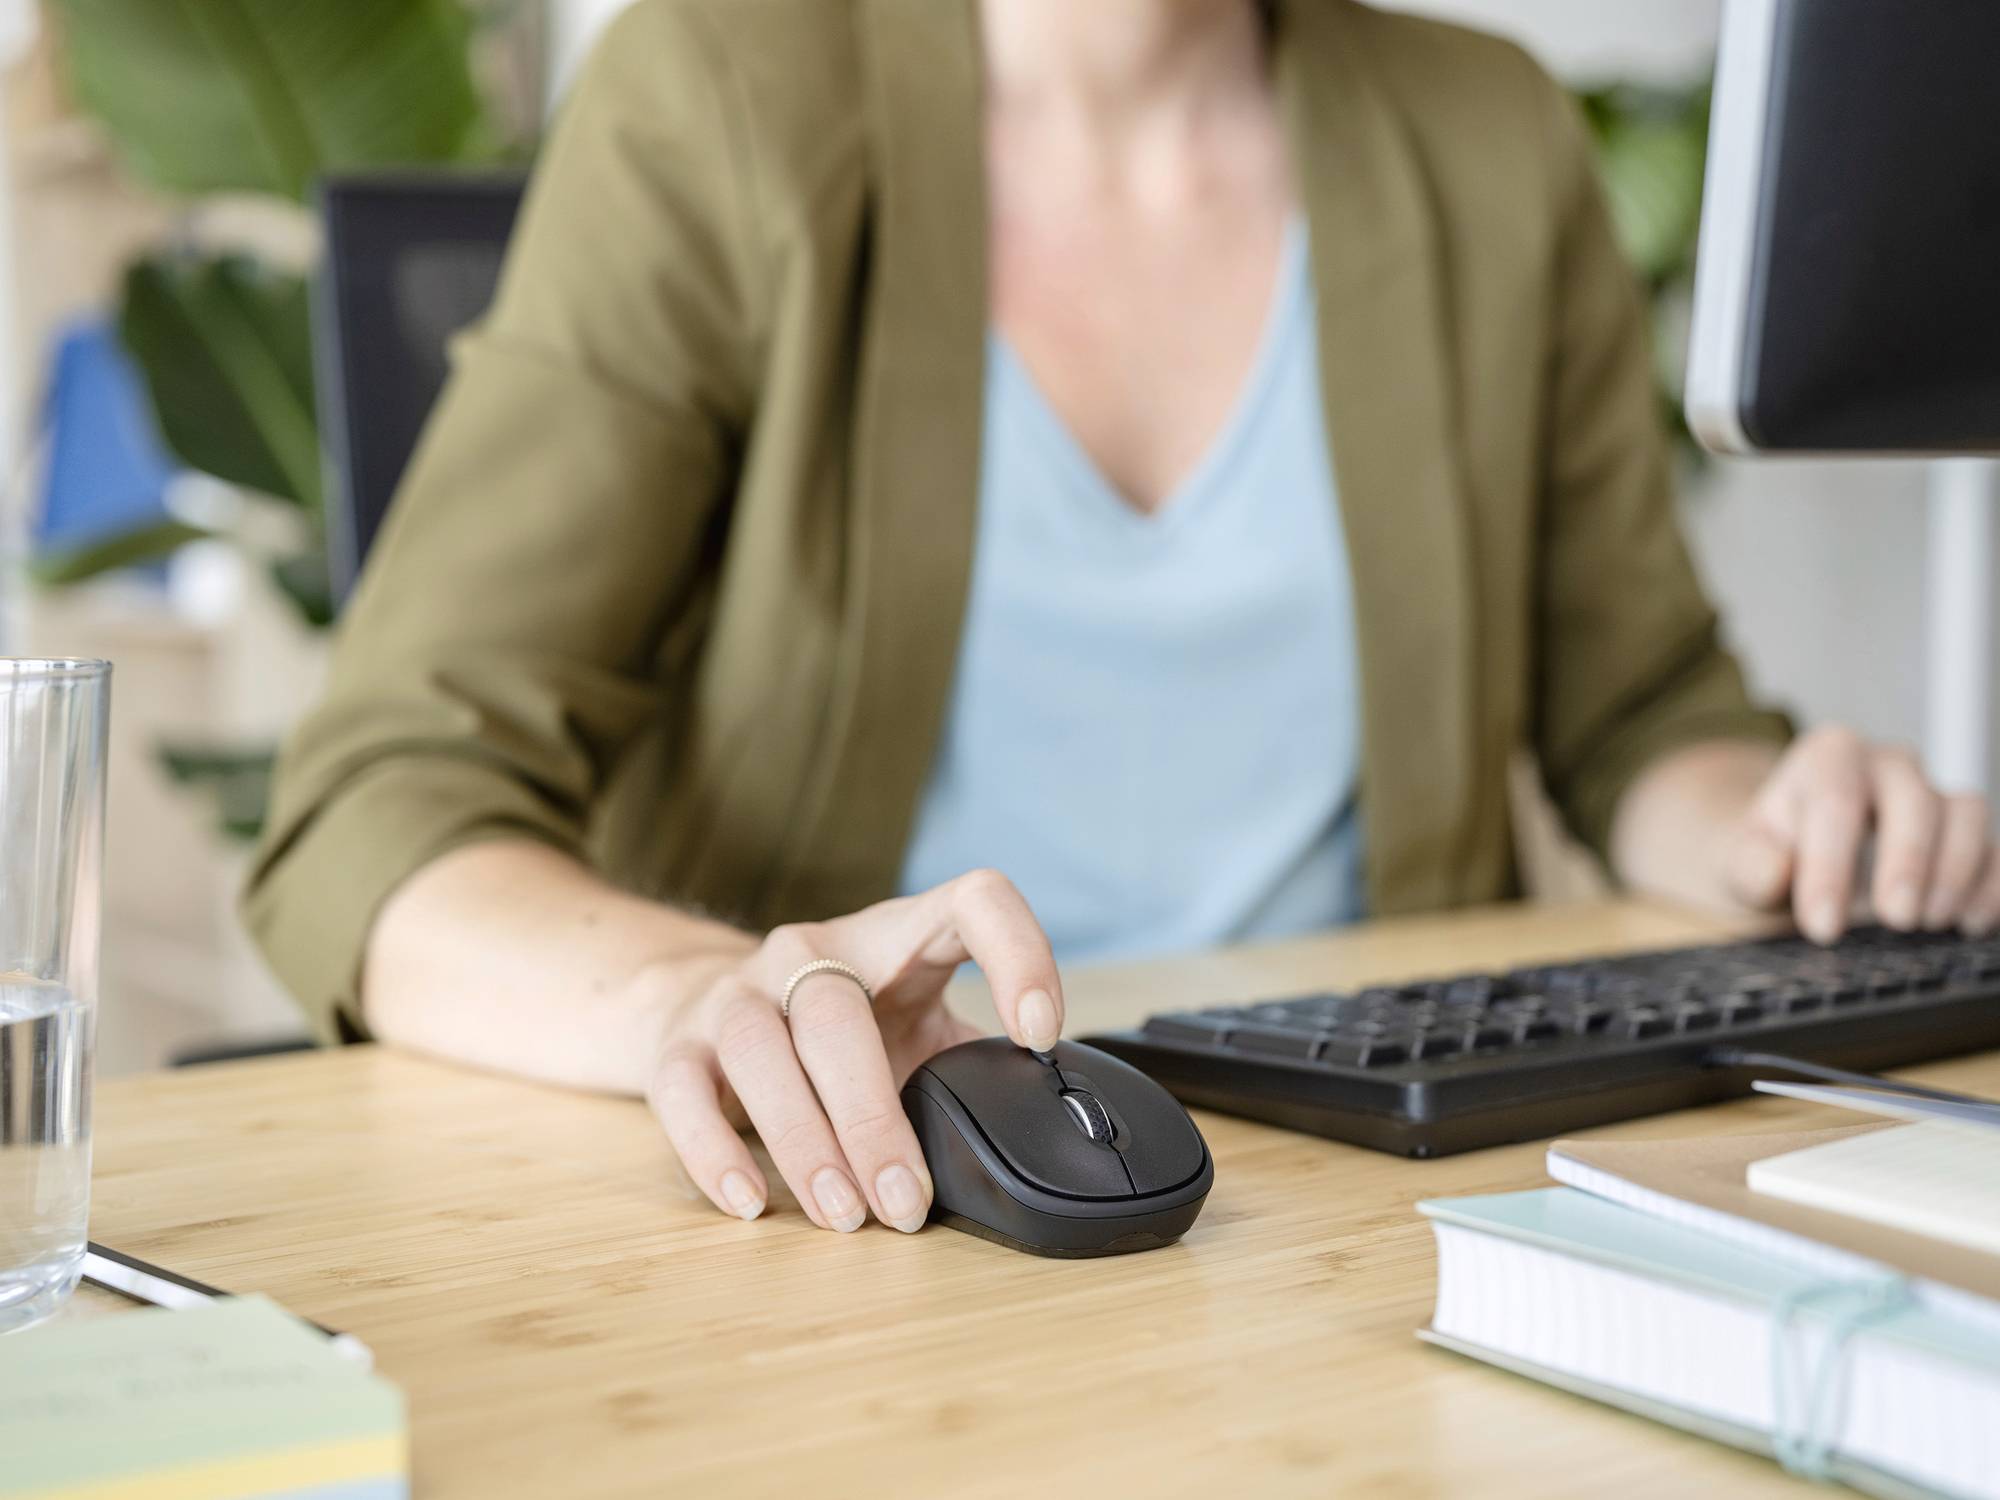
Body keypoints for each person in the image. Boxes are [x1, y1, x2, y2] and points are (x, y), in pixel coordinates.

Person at [247, 0, 2000, 1238]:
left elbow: (1639, 721)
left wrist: (1779, 827)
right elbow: (381, 806)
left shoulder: (1486, 131)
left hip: (1366, 1209)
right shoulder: (721, 92)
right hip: (883, 1218)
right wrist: (707, 1000)